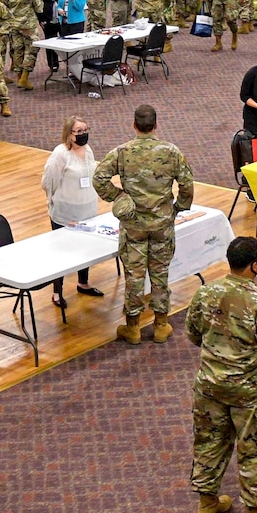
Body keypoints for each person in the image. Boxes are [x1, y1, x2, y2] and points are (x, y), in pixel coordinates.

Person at [185, 236, 257, 513]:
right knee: (254, 450)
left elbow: (194, 334)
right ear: (254, 266)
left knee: (208, 441)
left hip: (209, 385)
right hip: (251, 393)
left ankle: (207, 505)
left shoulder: (205, 293)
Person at [94, 105, 196, 345]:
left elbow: (99, 177)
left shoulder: (122, 152)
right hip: (162, 223)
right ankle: (161, 324)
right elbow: (187, 183)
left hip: (134, 225)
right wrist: (179, 207)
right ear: (156, 125)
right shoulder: (171, 152)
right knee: (160, 274)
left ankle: (133, 328)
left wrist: (118, 196)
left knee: (134, 275)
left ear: (134, 125)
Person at [42, 116, 102, 306]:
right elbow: (48, 181)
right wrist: (52, 200)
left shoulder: (88, 150)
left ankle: (83, 283)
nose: (84, 134)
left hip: (88, 209)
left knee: (86, 249)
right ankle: (57, 292)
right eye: (79, 131)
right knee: (62, 253)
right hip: (65, 213)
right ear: (69, 135)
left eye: (86, 130)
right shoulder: (60, 154)